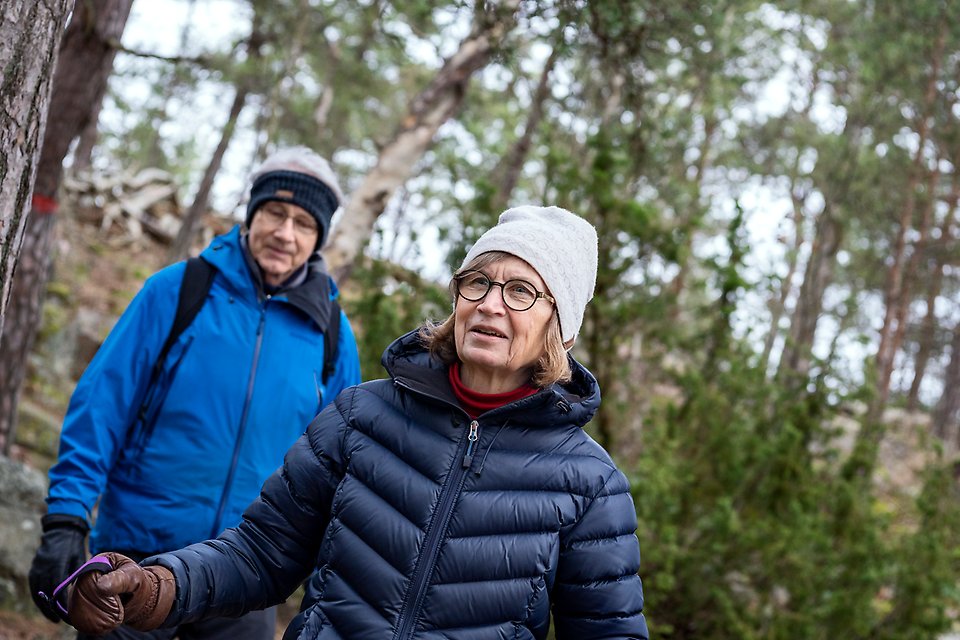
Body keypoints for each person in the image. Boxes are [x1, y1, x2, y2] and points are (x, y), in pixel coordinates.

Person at [59, 205, 649, 639]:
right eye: (478, 281)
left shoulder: (590, 485)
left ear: (561, 327)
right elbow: (261, 555)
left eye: (522, 292)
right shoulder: (361, 416)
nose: (490, 304)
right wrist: (156, 584)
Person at [29, 146, 363, 640]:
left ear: (318, 239)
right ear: (252, 214)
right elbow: (102, 405)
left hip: (246, 576)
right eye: (274, 212)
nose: (284, 233)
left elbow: (340, 468)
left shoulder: (332, 334)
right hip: (134, 557)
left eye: (303, 222)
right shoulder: (178, 290)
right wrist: (65, 518)